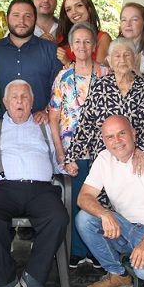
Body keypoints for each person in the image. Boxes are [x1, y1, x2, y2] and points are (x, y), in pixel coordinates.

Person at [0, 81, 69, 287]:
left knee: (58, 217)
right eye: (14, 97)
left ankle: (34, 275)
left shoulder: (46, 127)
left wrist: (66, 167)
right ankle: (6, 278)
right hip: (4, 189)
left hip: (42, 190)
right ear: (5, 103)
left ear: (32, 102)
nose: (19, 101)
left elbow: (58, 160)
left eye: (25, 97)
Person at [76, 115, 144, 287]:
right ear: (104, 141)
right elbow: (83, 197)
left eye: (122, 133)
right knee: (85, 219)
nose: (116, 141)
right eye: (110, 137)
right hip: (126, 229)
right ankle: (119, 274)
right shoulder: (103, 159)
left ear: (133, 133)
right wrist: (104, 214)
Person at [48, 21, 110, 269]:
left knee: (100, 199)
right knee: (74, 200)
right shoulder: (63, 76)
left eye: (87, 41)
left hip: (102, 151)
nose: (82, 46)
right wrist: (60, 153)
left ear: (94, 45)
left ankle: (97, 250)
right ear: (71, 47)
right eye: (77, 42)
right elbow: (53, 117)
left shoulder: (106, 73)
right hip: (72, 150)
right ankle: (75, 250)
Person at [65, 38, 144, 171]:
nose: (122, 60)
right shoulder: (99, 86)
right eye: (117, 56)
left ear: (135, 58)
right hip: (103, 155)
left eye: (127, 55)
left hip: (133, 156)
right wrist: (72, 156)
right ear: (110, 61)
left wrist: (141, 149)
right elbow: (86, 123)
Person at [0, 0, 62, 120]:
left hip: (40, 125)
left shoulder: (50, 50)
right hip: (0, 126)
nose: (21, 20)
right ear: (7, 18)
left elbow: (60, 88)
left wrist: (48, 111)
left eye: (27, 16)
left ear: (35, 19)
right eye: (16, 15)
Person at [56, 0, 112, 68]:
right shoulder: (61, 38)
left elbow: (100, 71)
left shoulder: (102, 38)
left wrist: (69, 62)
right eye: (68, 10)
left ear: (89, 8)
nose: (74, 12)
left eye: (79, 6)